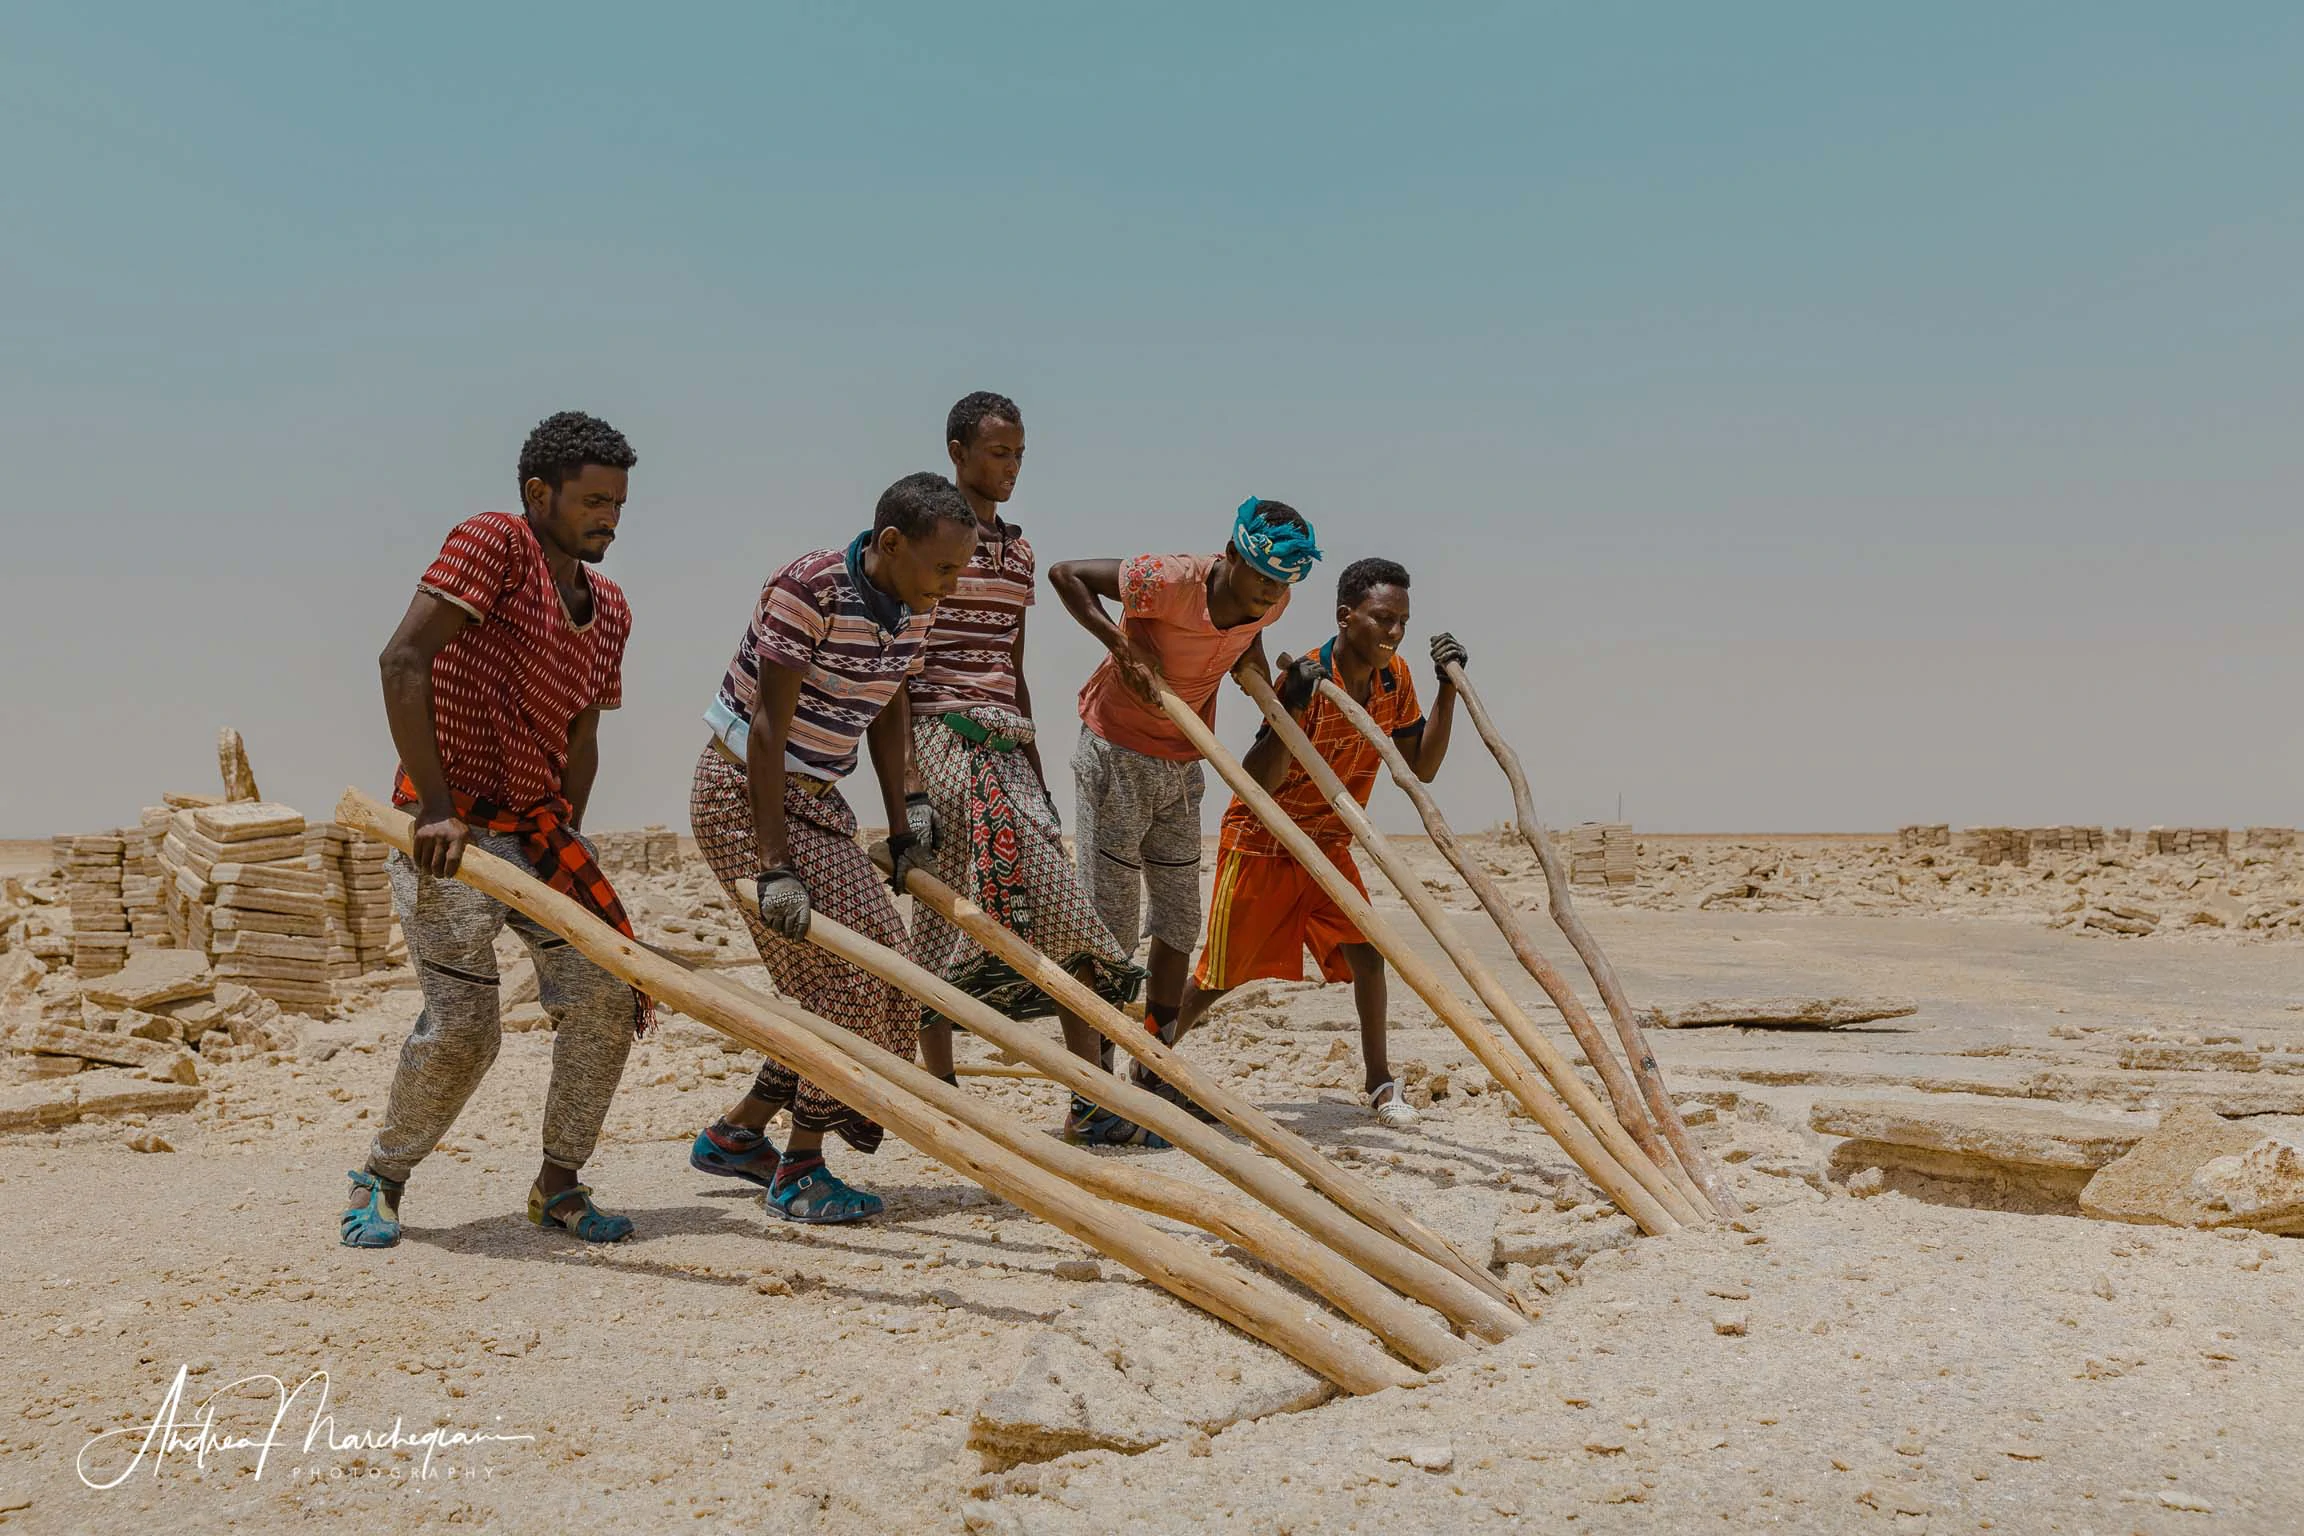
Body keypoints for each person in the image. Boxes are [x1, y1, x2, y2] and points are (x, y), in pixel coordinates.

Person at [343, 411, 646, 1249]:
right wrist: (435, 809)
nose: (608, 519)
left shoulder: (610, 608)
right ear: (537, 493)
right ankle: (383, 1174)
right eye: (592, 502)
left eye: (618, 504)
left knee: (605, 997)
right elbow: (402, 660)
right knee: (466, 1025)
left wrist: (567, 843)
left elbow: (583, 738)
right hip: (448, 826)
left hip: (536, 831)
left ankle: (558, 1185)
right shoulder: (493, 545)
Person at [686, 472, 979, 1223]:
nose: (949, 586)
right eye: (942, 568)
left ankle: (738, 1134)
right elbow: (764, 731)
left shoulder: (914, 608)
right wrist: (774, 867)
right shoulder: (808, 589)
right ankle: (801, 1166)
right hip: (745, 795)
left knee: (886, 977)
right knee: (848, 979)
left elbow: (887, 712)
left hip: (818, 803)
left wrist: (904, 825)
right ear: (889, 544)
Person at [906, 392, 1158, 1146]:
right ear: (956, 450)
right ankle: (962, 1090)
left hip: (1006, 744)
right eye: (996, 453)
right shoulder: (919, 536)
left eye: (1019, 454)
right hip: (939, 740)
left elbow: (1011, 670)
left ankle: (1080, 1097)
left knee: (1020, 904)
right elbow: (899, 667)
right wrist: (909, 785)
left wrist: (1036, 769)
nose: (1010, 467)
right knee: (959, 909)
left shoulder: (1019, 554)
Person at [1167, 557, 1469, 1127]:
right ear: (1345, 616)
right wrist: (1294, 707)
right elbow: (1260, 777)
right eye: (1382, 619)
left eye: (1401, 621)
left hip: (1327, 842)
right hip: (1264, 839)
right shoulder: (1305, 674)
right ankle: (1150, 1066)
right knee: (1220, 974)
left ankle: (1380, 1082)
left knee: (1368, 955)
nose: (1393, 633)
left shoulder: (1394, 678)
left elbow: (1421, 766)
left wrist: (1446, 689)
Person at [1047, 498, 1321, 1096]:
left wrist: (1254, 674)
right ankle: (1092, 1093)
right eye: (1262, 580)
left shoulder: (1274, 600)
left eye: (1281, 586)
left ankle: (1152, 1069)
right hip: (1115, 753)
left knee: (1179, 920)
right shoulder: (1166, 580)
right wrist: (1121, 645)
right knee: (1110, 929)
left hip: (1182, 760)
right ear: (1230, 558)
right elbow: (1065, 574)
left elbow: (1246, 635)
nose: (1270, 596)